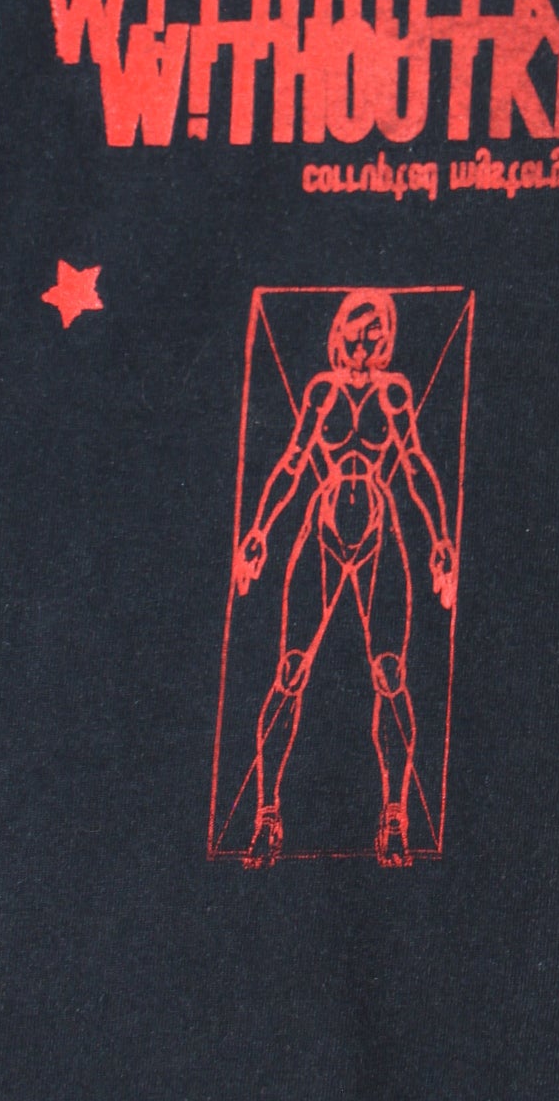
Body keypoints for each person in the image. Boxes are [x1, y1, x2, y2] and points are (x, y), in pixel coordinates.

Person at [233, 289, 457, 864]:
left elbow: (415, 465)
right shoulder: (322, 392)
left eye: (375, 338)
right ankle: (266, 814)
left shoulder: (394, 393)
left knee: (390, 673)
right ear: (338, 336)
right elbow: (292, 462)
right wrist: (260, 529)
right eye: (356, 337)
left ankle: (395, 815)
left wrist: (439, 538)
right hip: (323, 533)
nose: (363, 348)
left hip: (379, 535)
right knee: (290, 670)